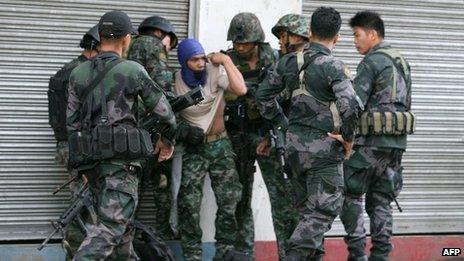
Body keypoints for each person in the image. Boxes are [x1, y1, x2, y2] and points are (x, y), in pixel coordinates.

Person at [67, 11, 176, 260]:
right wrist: (166, 142)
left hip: (91, 164)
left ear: (101, 36)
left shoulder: (78, 74)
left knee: (123, 235)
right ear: (126, 39)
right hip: (120, 166)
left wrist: (81, 166)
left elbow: (71, 126)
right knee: (111, 229)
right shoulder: (132, 70)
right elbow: (166, 114)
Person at [256, 7, 361, 260]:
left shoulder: (288, 61)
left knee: (306, 213)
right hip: (324, 151)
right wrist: (347, 139)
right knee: (321, 212)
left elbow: (262, 97)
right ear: (337, 38)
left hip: (293, 151)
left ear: (310, 32)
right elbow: (350, 106)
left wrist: (284, 123)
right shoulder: (334, 66)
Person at [340, 11, 413, 261]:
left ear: (372, 34)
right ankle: (381, 256)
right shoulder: (401, 61)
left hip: (370, 143)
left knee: (348, 192)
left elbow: (354, 104)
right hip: (396, 145)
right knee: (382, 199)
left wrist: (345, 138)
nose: (354, 40)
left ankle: (357, 254)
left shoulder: (371, 62)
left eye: (357, 35)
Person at [173, 38, 247, 261]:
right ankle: (192, 254)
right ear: (184, 61)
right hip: (193, 149)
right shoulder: (176, 80)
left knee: (229, 200)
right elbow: (169, 114)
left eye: (202, 58)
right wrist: (184, 131)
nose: (200, 63)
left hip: (220, 146)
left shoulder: (215, 71)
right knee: (188, 204)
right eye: (194, 60)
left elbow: (241, 89)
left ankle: (224, 251)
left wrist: (225, 60)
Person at [224, 12, 278, 258]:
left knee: (280, 197)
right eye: (236, 43)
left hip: (267, 136)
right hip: (237, 135)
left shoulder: (275, 59)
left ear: (257, 40)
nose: (239, 47)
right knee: (240, 199)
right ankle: (244, 253)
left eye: (244, 43)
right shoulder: (227, 60)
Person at [47, 24, 99, 259]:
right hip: (81, 147)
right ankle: (78, 253)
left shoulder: (66, 70)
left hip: (68, 146)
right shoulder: (83, 73)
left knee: (80, 201)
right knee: (83, 204)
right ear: (95, 47)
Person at [126, 14, 179, 242]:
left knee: (129, 191)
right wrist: (167, 136)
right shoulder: (153, 45)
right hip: (149, 130)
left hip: (125, 131)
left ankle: (125, 240)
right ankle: (160, 243)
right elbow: (163, 91)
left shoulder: (126, 45)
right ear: (160, 33)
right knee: (160, 188)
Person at [127, 15, 177, 95]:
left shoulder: (130, 42)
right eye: (170, 42)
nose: (169, 47)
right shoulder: (153, 44)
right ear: (158, 32)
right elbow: (162, 82)